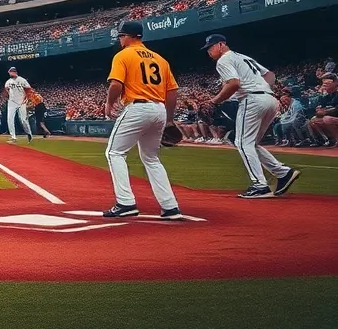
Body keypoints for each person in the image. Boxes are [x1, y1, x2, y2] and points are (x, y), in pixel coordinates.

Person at [102, 21, 183, 220]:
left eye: (121, 36)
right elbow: (172, 92)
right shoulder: (160, 59)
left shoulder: (123, 55)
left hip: (138, 107)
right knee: (151, 158)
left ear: (129, 36)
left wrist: (108, 104)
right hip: (160, 109)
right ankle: (170, 206)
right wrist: (170, 119)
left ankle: (125, 202)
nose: (120, 40)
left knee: (114, 152)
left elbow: (115, 84)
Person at [202, 35, 301, 198]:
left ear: (221, 44)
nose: (208, 51)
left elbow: (234, 83)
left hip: (252, 99)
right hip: (269, 99)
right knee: (251, 143)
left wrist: (214, 101)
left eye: (211, 47)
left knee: (241, 142)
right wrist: (265, 90)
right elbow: (270, 75)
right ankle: (283, 173)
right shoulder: (243, 57)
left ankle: (260, 185)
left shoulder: (224, 60)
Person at [3, 66, 34, 143]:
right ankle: (13, 137)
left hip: (21, 102)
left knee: (23, 120)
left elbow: (29, 89)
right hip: (12, 102)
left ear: (15, 72)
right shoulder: (8, 82)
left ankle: (29, 133)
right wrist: (7, 96)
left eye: (11, 72)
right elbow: (6, 90)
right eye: (9, 72)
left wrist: (27, 98)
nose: (10, 73)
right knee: (9, 119)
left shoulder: (22, 80)